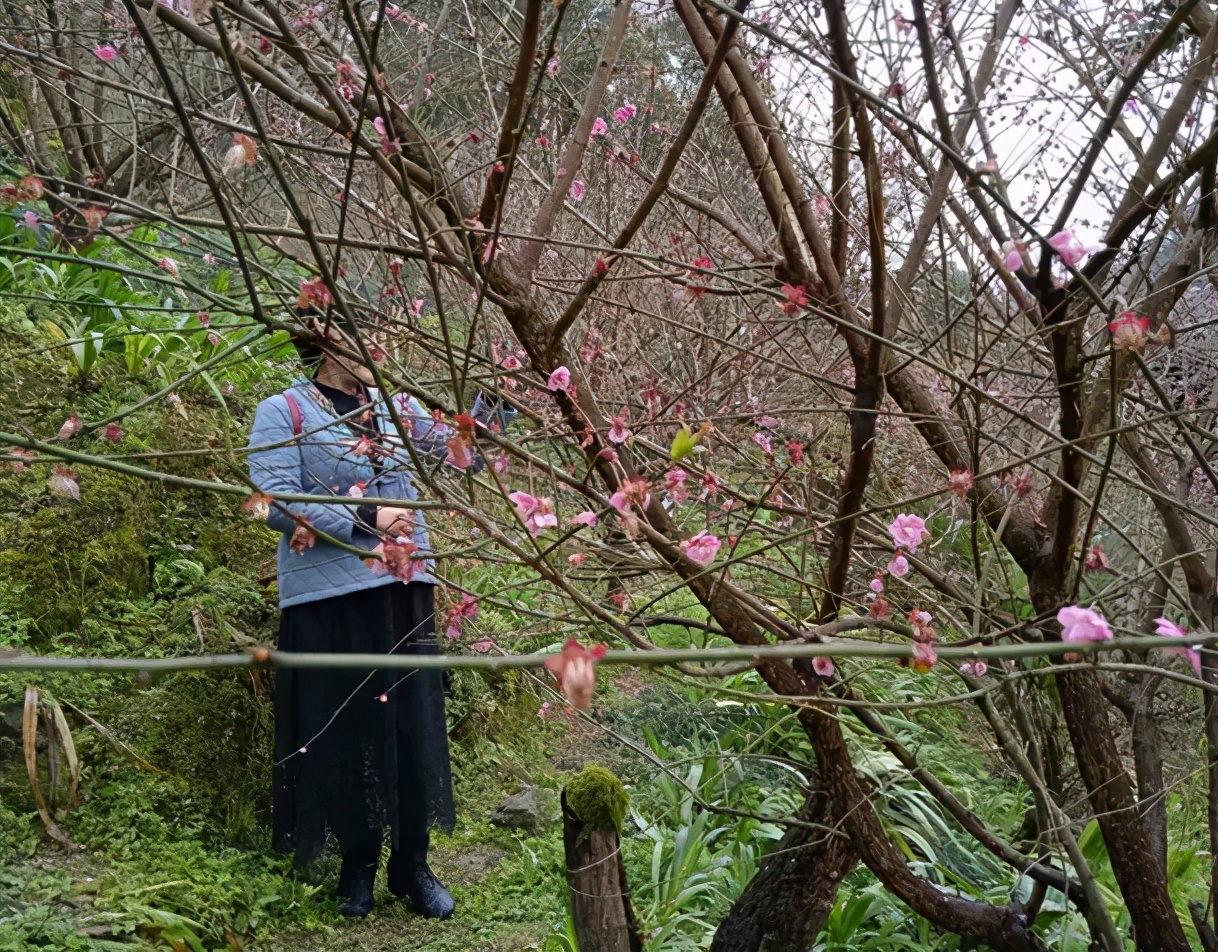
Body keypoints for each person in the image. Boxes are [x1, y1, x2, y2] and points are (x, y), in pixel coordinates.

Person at [246, 315, 512, 919]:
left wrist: (503, 391)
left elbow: (458, 452)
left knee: (412, 728)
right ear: (327, 339)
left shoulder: (394, 408)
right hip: (328, 597)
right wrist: (368, 522)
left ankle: (412, 864)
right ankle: (358, 864)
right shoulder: (283, 409)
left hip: (404, 586)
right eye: (360, 332)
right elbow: (274, 500)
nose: (375, 344)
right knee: (343, 734)